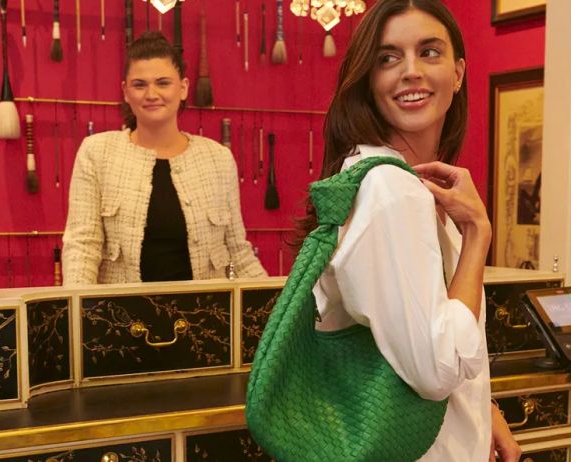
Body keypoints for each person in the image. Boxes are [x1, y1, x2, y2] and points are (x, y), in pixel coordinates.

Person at [303, 0, 521, 460]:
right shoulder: (390, 189)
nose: (410, 71)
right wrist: (479, 232)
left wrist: (483, 407)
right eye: (388, 58)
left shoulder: (409, 186)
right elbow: (435, 369)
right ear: (369, 79)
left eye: (430, 52)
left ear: (458, 73)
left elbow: (424, 336)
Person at [62, 31, 266, 284]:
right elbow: (82, 246)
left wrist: (279, 310)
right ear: (126, 91)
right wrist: (76, 312)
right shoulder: (97, 152)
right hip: (122, 317)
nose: (151, 94)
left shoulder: (218, 159)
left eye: (163, 82)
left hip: (206, 313)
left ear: (183, 88)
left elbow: (239, 251)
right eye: (140, 84)